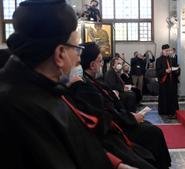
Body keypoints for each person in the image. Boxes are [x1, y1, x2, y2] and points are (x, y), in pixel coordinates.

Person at [0, 0, 115, 168]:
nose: (78, 58)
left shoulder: (41, 88)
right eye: (77, 49)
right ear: (60, 54)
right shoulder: (20, 107)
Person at [73, 42, 171, 168]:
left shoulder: (94, 81)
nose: (102, 64)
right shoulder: (85, 86)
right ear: (92, 65)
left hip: (119, 121)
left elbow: (112, 104)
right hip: (114, 131)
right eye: (100, 61)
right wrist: (131, 118)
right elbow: (107, 113)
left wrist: (130, 115)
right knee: (153, 132)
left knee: (149, 127)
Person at [156, 44, 179, 118]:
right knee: (165, 97)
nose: (168, 52)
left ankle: (173, 111)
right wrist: (165, 71)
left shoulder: (172, 59)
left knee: (172, 97)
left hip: (172, 81)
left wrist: (177, 70)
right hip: (164, 82)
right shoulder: (159, 60)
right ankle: (165, 111)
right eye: (166, 51)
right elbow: (158, 72)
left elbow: (176, 68)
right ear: (162, 51)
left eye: (169, 50)